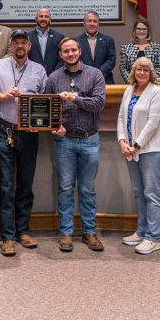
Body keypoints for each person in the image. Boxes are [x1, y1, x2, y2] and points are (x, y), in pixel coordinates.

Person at [0, 29, 48, 257]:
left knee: (26, 183)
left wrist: (40, 123)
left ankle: (23, 230)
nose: (20, 46)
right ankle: (7, 236)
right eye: (16, 42)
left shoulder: (39, 70)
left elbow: (44, 102)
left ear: (29, 46)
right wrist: (4, 96)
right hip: (4, 130)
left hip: (29, 134)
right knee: (6, 185)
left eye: (23, 42)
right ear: (10, 46)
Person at [46, 37, 106, 252]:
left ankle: (89, 232)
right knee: (64, 188)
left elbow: (98, 104)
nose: (70, 54)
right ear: (61, 55)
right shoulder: (53, 78)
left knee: (88, 189)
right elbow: (48, 108)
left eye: (73, 50)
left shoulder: (95, 74)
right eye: (66, 51)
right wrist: (55, 125)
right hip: (65, 141)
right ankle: (66, 232)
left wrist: (75, 99)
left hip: (90, 139)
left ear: (80, 51)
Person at [117, 57, 160, 255]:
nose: (141, 73)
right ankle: (142, 231)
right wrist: (122, 141)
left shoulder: (156, 92)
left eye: (146, 70)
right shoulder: (129, 90)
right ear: (133, 71)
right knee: (139, 191)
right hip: (130, 149)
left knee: (151, 193)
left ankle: (153, 238)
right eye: (139, 69)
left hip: (151, 150)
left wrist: (136, 145)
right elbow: (122, 117)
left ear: (151, 72)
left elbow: (153, 123)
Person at [77, 11, 116, 84]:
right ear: (84, 23)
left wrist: (97, 74)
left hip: (105, 79)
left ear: (98, 24)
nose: (92, 24)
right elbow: (76, 60)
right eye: (89, 21)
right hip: (83, 80)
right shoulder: (76, 41)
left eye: (95, 21)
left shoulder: (108, 40)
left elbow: (111, 60)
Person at [27, 8, 64, 75]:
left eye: (46, 16)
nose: (43, 19)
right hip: (32, 75)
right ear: (36, 19)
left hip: (54, 76)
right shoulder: (27, 37)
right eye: (41, 16)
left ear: (50, 20)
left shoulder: (59, 37)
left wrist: (54, 74)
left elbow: (62, 59)